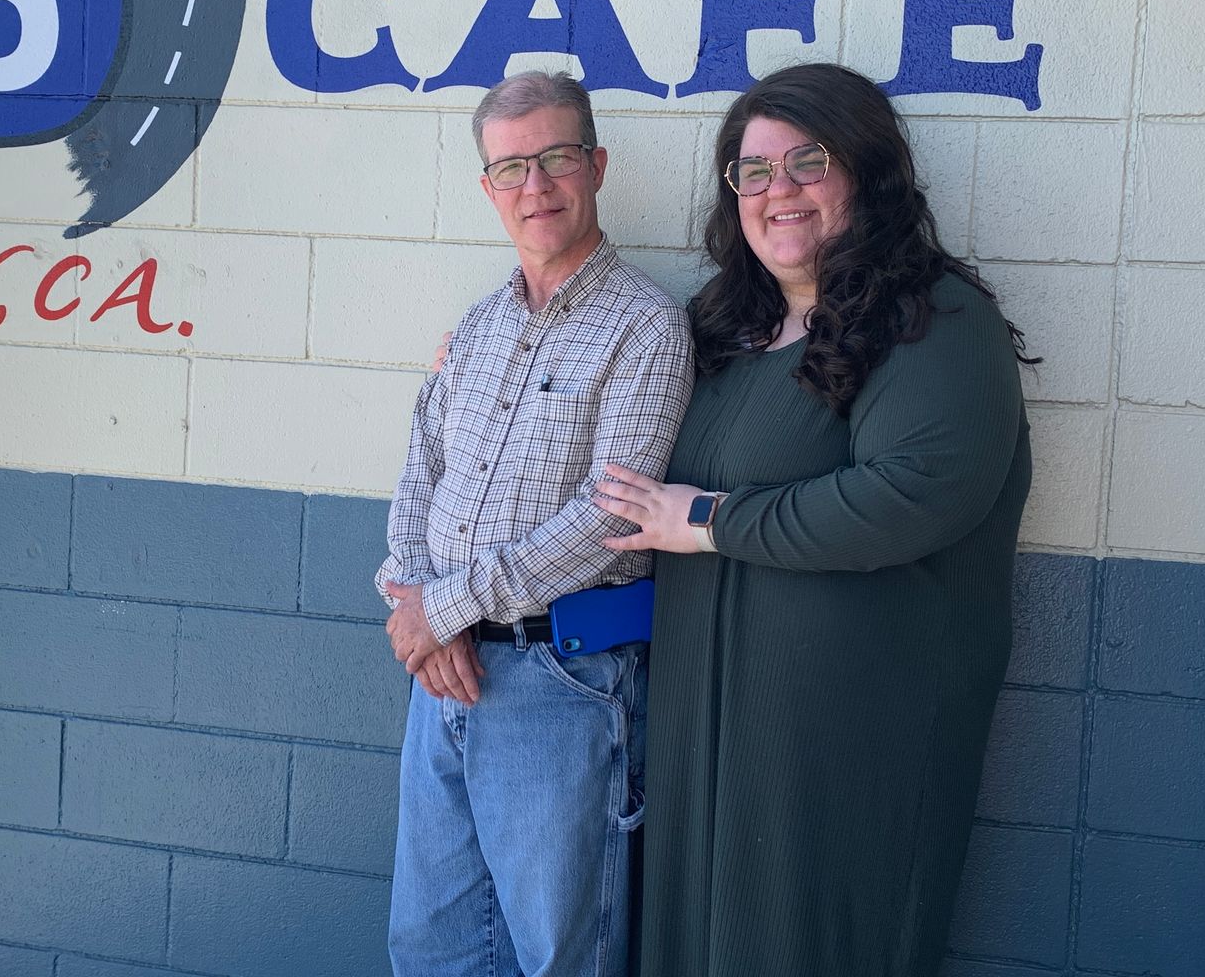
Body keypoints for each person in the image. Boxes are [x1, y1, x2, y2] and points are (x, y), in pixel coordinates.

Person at [592, 64, 1034, 977]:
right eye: (753, 171)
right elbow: (609, 420)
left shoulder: (933, 322)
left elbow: (912, 494)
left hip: (847, 740)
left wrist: (712, 521)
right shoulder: (724, 326)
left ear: (866, 173)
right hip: (706, 732)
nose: (777, 190)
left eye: (807, 161)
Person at [377, 69, 694, 977]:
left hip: (564, 683)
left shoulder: (645, 327)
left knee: (560, 954)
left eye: (556, 158)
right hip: (443, 681)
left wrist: (444, 608)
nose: (536, 186)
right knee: (431, 948)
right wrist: (416, 606)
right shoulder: (476, 329)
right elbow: (418, 478)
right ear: (487, 188)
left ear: (595, 165)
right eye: (511, 167)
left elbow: (610, 515)